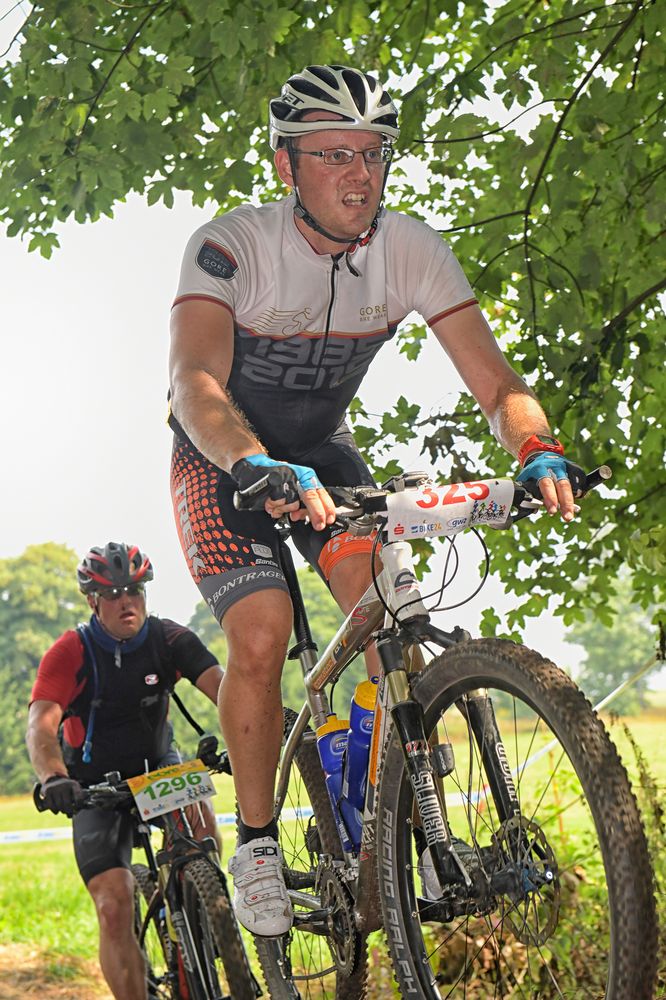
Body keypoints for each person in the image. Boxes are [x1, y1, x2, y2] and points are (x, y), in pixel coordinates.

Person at [167, 64, 586, 937]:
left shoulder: (410, 250)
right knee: (262, 633)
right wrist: (250, 460)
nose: (359, 174)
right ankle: (256, 846)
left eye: (372, 153)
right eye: (333, 155)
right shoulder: (232, 246)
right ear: (286, 165)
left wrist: (536, 446)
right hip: (223, 459)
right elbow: (194, 380)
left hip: (324, 454)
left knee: (393, 607)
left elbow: (496, 381)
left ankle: (404, 821)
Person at [26, 542, 224, 1000]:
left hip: (158, 767)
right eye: (112, 594)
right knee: (113, 905)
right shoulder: (70, 651)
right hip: (92, 785)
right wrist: (53, 777)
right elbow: (41, 724)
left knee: (204, 836)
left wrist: (255, 733)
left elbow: (225, 689)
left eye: (134, 590)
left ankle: (214, 934)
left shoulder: (168, 638)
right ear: (93, 601)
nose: (126, 602)